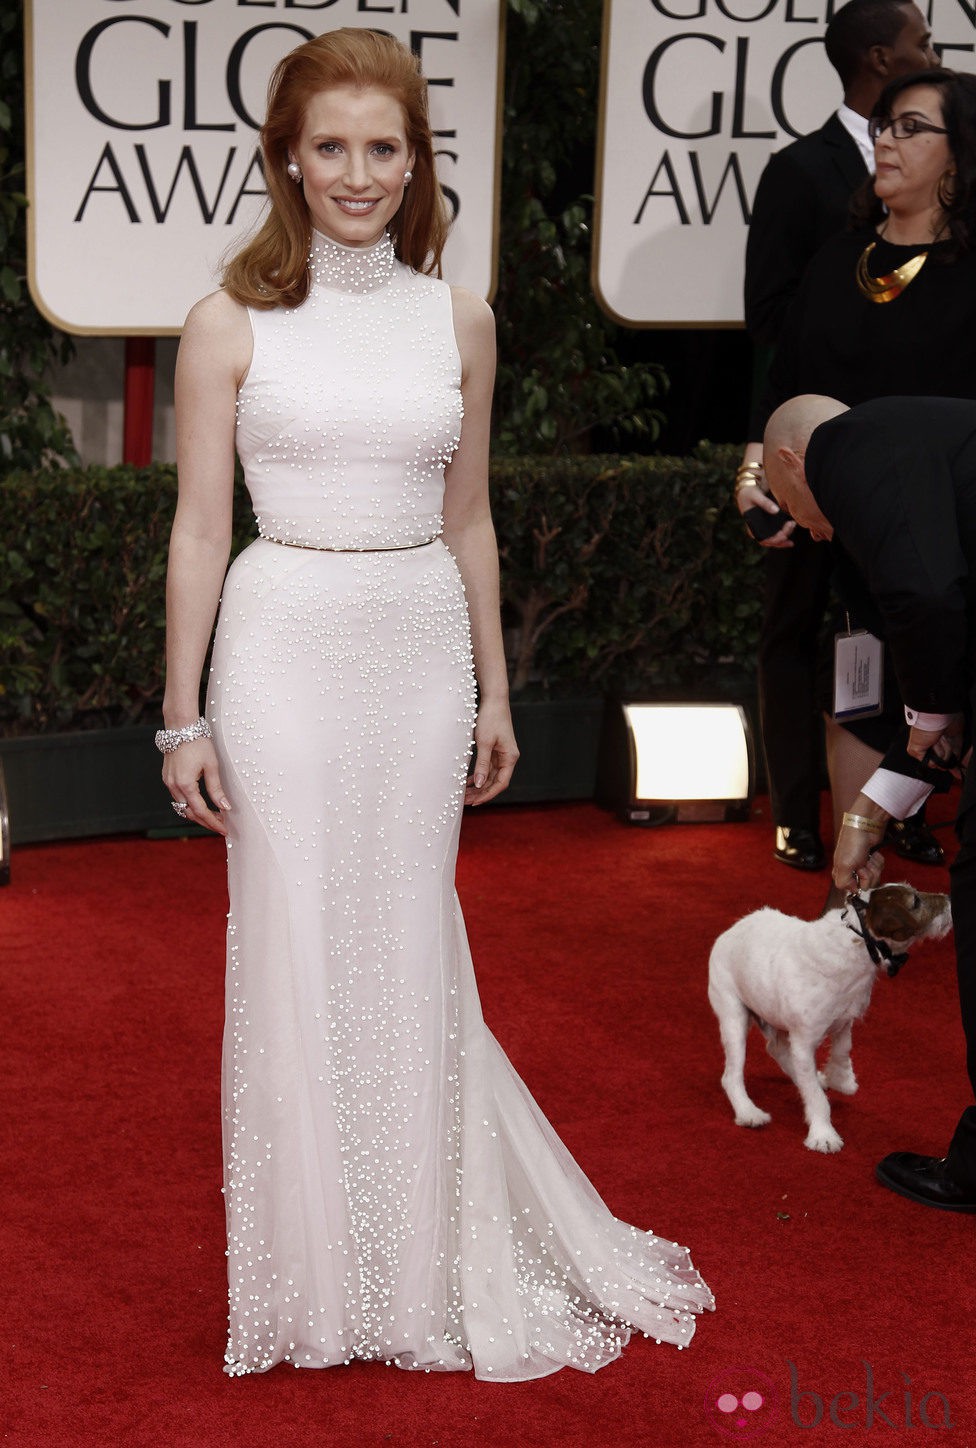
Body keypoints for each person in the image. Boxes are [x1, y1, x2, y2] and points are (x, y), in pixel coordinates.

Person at [159, 28, 713, 1378]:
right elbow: (192, 533)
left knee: (409, 942)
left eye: (384, 149)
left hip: (416, 650)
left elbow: (470, 523)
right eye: (332, 147)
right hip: (282, 644)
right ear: (288, 155)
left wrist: (495, 687)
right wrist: (182, 715)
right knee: (288, 947)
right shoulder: (226, 321)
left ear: (417, 162)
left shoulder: (456, 316)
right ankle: (310, 1292)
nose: (358, 174)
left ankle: (412, 1269)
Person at [739, 66, 976, 895]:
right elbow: (782, 382)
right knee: (857, 686)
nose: (885, 139)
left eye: (911, 127)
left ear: (959, 155)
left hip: (952, 538)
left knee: (941, 677)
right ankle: (859, 888)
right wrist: (753, 475)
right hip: (833, 520)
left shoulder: (975, 265)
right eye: (882, 125)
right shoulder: (838, 257)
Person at [763, 392, 976, 1213]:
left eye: (794, 512)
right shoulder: (922, 442)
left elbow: (928, 606)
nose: (809, 531)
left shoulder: (844, 450)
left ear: (794, 463)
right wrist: (865, 819)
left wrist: (927, 720)